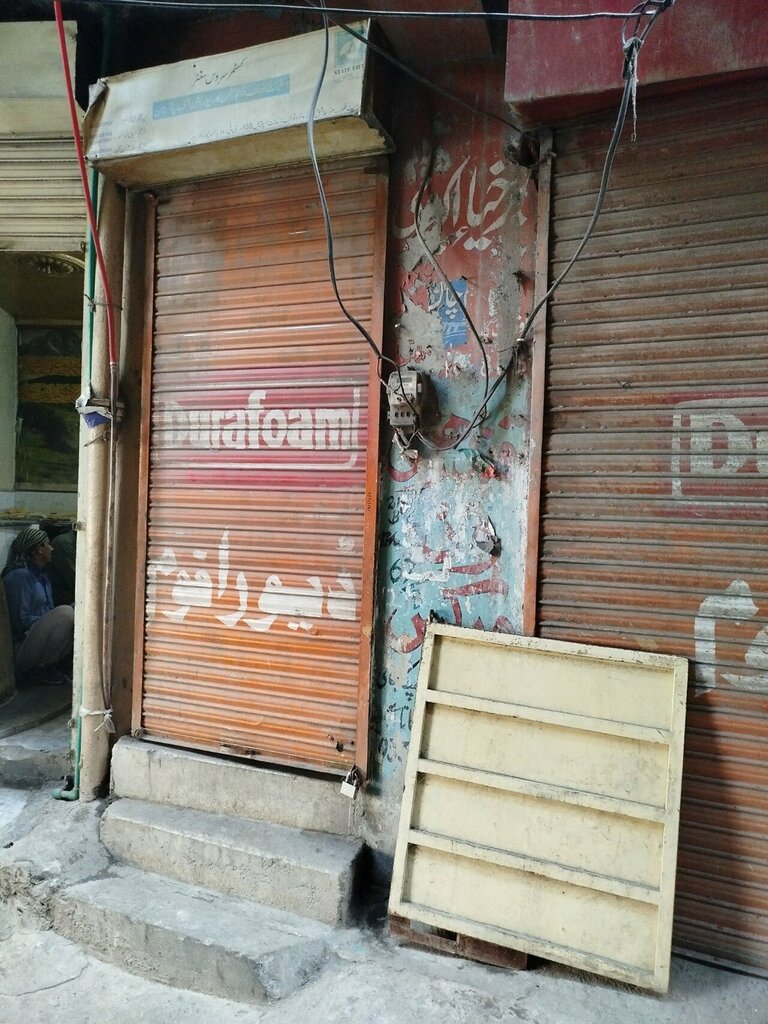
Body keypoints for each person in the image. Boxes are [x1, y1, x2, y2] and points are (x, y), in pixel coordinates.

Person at [2, 526, 74, 686]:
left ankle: (46, 668)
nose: (52, 548)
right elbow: (18, 622)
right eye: (47, 544)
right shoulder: (18, 577)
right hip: (21, 645)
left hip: (35, 637)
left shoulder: (42, 575)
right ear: (38, 550)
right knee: (66, 613)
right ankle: (35, 669)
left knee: (77, 609)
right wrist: (49, 620)